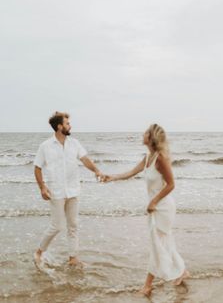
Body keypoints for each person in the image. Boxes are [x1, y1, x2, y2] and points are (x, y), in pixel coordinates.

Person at [104, 124, 189, 297]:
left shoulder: (160, 159)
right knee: (163, 243)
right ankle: (182, 271)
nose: (142, 134)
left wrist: (154, 201)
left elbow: (171, 184)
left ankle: (148, 286)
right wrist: (111, 177)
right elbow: (131, 172)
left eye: (146, 132)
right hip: (155, 207)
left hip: (162, 208)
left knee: (158, 245)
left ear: (151, 138)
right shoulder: (148, 157)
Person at [33, 111, 106, 268]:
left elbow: (85, 159)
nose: (70, 125)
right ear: (59, 126)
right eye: (67, 123)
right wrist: (42, 187)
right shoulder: (45, 146)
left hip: (73, 190)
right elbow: (37, 167)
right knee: (57, 226)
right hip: (56, 191)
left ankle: (73, 258)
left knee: (73, 225)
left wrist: (97, 171)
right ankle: (39, 252)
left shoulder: (74, 143)